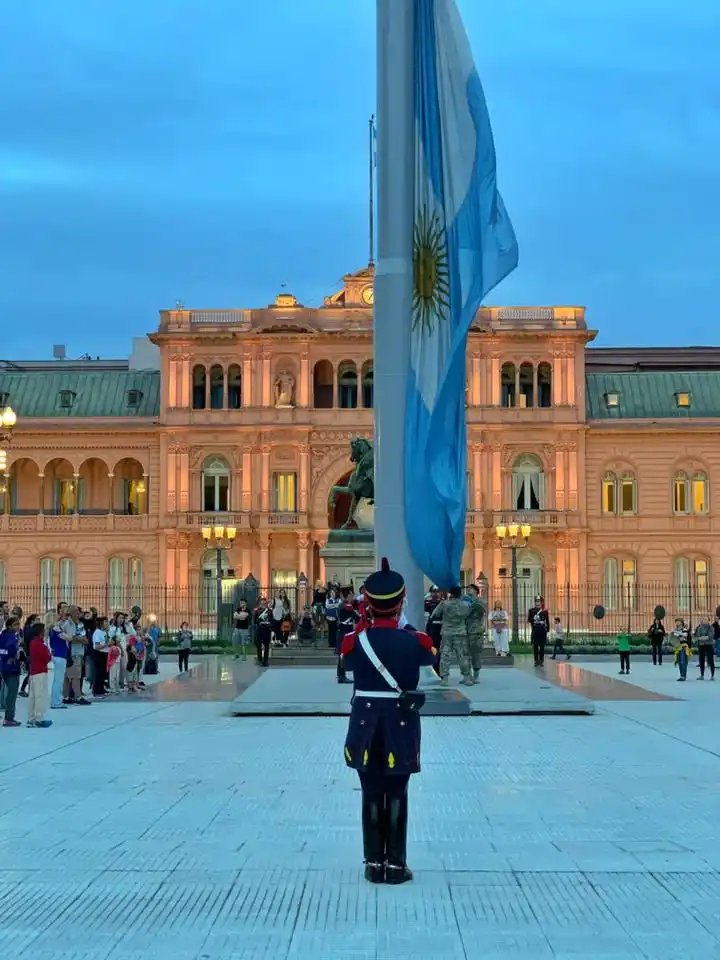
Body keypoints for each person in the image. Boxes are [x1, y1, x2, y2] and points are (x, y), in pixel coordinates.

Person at [340, 558, 437, 885]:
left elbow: (348, 663)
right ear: (400, 602)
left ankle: (372, 864)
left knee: (369, 792)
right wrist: (404, 624)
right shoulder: (416, 641)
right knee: (397, 791)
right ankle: (395, 866)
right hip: (400, 721)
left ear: (367, 602)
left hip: (365, 721)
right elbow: (430, 657)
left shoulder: (355, 641)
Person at [431, 586, 474, 686]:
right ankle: (467, 677)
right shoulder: (466, 605)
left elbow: (435, 614)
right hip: (460, 632)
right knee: (462, 655)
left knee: (445, 655)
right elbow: (469, 615)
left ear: (451, 593)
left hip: (447, 632)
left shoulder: (444, 604)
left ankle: (444, 678)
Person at [27, 622, 53, 728]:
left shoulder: (32, 643)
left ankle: (31, 718)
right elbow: (47, 658)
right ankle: (39, 719)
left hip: (33, 672)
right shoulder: (41, 645)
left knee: (32, 696)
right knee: (40, 696)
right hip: (41, 672)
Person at [0, 617, 22, 726]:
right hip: (12, 668)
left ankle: (9, 717)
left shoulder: (3, 636)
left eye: (18, 624)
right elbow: (12, 648)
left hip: (4, 667)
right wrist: (14, 654)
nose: (18, 626)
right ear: (9, 626)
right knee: (12, 694)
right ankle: (9, 718)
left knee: (10, 692)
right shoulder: (12, 636)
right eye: (15, 624)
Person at [336, 588, 361, 684]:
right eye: (351, 595)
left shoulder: (342, 604)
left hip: (343, 630)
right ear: (348, 596)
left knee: (342, 653)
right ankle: (342, 676)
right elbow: (356, 618)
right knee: (343, 653)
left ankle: (341, 675)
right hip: (346, 631)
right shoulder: (347, 605)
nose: (353, 596)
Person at [464, 584, 486, 681]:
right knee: (465, 654)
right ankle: (467, 675)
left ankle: (476, 674)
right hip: (466, 630)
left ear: (476, 591)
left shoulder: (479, 601)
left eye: (471, 589)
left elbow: (480, 611)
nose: (469, 590)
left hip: (475, 631)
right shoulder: (466, 601)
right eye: (468, 589)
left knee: (475, 654)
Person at [528, 596, 550, 667]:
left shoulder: (545, 611)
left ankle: (541, 661)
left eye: (539, 601)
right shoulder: (531, 610)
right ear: (535, 602)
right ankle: (536, 661)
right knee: (535, 646)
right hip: (535, 630)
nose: (538, 603)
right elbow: (529, 620)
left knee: (542, 647)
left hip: (542, 630)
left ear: (541, 603)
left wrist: (548, 630)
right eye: (537, 601)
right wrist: (533, 619)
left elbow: (547, 621)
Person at [92, 616, 110, 699]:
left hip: (105, 653)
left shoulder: (104, 632)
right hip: (99, 653)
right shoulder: (97, 632)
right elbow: (96, 646)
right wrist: (107, 644)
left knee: (103, 673)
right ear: (101, 624)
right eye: (105, 622)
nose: (107, 623)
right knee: (99, 673)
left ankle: (101, 689)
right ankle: (97, 691)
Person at [253, 599, 273, 667]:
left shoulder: (270, 611)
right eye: (262, 604)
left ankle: (265, 661)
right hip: (259, 630)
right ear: (260, 604)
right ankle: (259, 659)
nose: (263, 605)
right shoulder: (257, 611)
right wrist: (259, 621)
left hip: (267, 630)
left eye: (264, 604)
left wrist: (269, 624)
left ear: (266, 604)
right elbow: (254, 621)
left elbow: (272, 621)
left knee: (266, 646)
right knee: (258, 645)